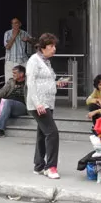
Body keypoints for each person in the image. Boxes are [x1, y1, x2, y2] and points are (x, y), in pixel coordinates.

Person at [26, 33, 68, 179]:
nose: (54, 49)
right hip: (39, 104)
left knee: (43, 134)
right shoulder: (34, 61)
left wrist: (58, 83)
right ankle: (51, 167)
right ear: (43, 47)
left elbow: (45, 81)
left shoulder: (46, 62)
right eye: (51, 46)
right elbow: (30, 83)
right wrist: (38, 104)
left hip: (48, 102)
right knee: (52, 133)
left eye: (54, 46)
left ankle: (38, 166)